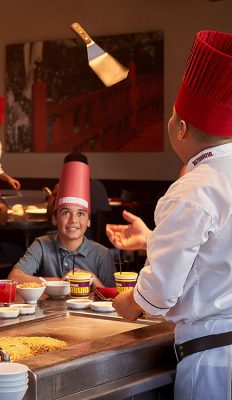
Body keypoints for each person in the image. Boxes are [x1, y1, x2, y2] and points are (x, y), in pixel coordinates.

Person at [107, 30, 232, 400]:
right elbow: (219, 248)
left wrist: (128, 304)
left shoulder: (193, 187)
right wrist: (152, 239)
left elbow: (158, 293)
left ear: (180, 128)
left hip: (213, 360)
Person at [9, 161, 115, 287]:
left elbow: (113, 299)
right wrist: (60, 282)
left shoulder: (102, 254)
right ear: (54, 218)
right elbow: (14, 278)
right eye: (66, 213)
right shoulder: (42, 245)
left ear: (89, 221)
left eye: (80, 214)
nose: (73, 220)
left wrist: (91, 278)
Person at [46, 152, 110, 240]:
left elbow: (49, 213)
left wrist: (54, 193)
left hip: (79, 237)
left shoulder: (64, 187)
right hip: (105, 239)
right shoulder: (99, 185)